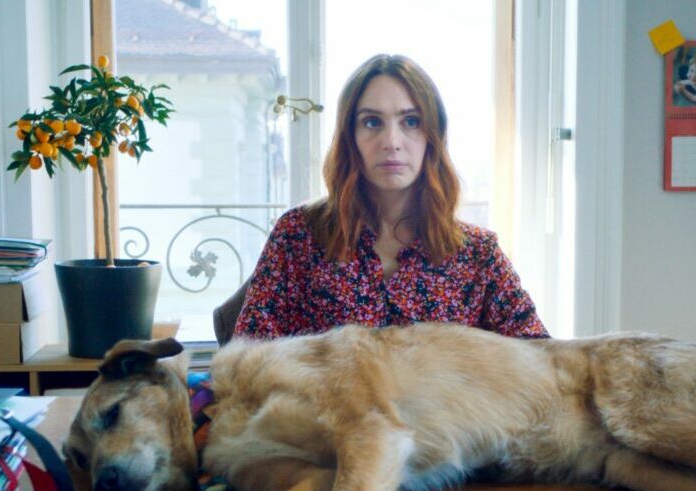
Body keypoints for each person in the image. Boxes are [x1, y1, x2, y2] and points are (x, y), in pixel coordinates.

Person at [233, 54, 548, 340]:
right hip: (320, 390)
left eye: (411, 122)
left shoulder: (477, 254)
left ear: (432, 137)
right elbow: (248, 359)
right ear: (350, 137)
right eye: (372, 122)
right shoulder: (298, 234)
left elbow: (539, 358)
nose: (392, 141)